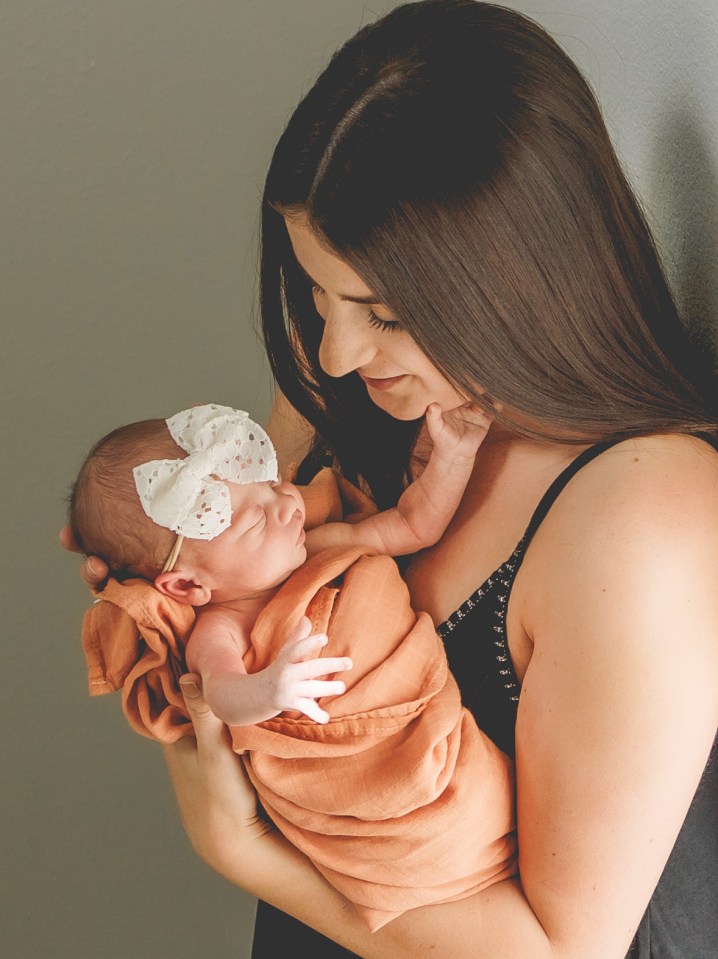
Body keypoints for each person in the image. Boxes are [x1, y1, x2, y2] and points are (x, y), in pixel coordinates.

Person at [63, 1, 718, 956]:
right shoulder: (349, 394)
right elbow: (201, 605)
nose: (331, 353)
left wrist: (242, 850)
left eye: (383, 313)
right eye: (319, 294)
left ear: (517, 277)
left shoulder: (644, 516)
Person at [70, 400, 516, 929]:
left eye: (274, 485)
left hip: (422, 727)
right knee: (449, 820)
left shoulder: (318, 544)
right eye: (256, 519)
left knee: (487, 796)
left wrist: (455, 456)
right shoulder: (219, 628)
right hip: (363, 778)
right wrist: (269, 690)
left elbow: (414, 526)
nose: (288, 506)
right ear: (189, 586)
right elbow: (221, 693)